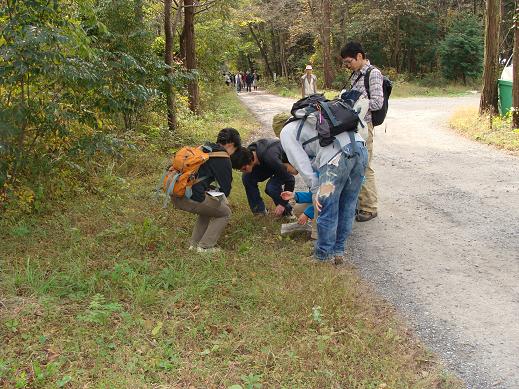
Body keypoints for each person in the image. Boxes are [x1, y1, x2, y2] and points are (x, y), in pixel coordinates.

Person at [280, 95, 369, 264]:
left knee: (327, 206)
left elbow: (303, 166)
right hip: (360, 150)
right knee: (348, 205)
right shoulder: (315, 118)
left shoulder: (286, 133)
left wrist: (316, 192)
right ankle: (338, 251)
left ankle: (323, 255)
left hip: (337, 159)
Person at [172, 128, 242, 253]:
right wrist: (214, 191)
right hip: (189, 197)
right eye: (234, 150)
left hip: (177, 192)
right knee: (225, 212)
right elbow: (225, 190)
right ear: (231, 145)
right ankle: (206, 246)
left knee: (209, 207)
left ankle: (194, 245)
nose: (232, 154)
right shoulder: (223, 158)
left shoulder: (205, 148)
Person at [340, 41, 384, 222]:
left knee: (365, 166)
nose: (347, 65)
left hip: (365, 128)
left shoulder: (373, 74)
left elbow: (377, 102)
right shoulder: (355, 74)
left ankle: (369, 207)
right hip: (353, 127)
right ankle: (359, 203)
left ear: (359, 56)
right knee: (355, 166)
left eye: (349, 61)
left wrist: (357, 103)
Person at [231, 138, 296, 217]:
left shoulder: (271, 158)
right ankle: (259, 212)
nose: (244, 171)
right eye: (241, 170)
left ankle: (287, 212)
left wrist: (282, 203)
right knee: (247, 177)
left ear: (250, 160)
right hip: (265, 164)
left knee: (271, 187)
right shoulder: (249, 153)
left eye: (244, 168)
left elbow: (290, 179)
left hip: (282, 164)